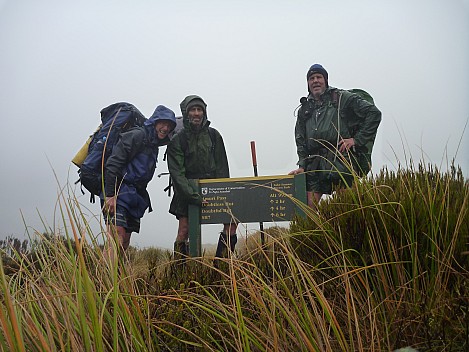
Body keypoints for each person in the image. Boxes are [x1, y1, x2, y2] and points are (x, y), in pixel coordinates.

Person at [289, 64, 382, 206]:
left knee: (349, 208)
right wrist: (302, 164)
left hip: (341, 159)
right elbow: (300, 139)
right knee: (308, 211)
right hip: (315, 164)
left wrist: (357, 140)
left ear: (325, 80)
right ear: (308, 83)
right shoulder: (305, 109)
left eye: (319, 77)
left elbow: (373, 113)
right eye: (311, 78)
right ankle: (318, 229)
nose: (315, 81)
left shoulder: (341, 97)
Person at [167, 95, 237, 259]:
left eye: (199, 110)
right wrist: (193, 196)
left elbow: (222, 168)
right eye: (193, 110)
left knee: (231, 223)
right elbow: (177, 174)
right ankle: (180, 274)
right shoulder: (178, 140)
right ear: (186, 113)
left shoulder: (214, 135)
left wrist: (224, 194)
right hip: (186, 191)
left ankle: (221, 270)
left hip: (211, 189)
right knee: (184, 230)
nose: (196, 113)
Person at [102, 105, 176, 252]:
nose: (165, 128)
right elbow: (112, 165)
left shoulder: (153, 144)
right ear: (154, 121)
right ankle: (104, 275)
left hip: (135, 198)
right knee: (116, 238)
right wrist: (110, 195)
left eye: (169, 125)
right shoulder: (137, 136)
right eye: (163, 123)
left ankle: (118, 275)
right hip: (118, 193)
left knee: (123, 244)